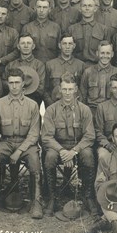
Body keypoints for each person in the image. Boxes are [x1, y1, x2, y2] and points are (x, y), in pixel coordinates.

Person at [0, 68, 42, 217]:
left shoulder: (32, 105)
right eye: (11, 83)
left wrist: (19, 151)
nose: (14, 86)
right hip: (5, 142)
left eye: (17, 82)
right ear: (7, 84)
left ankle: (36, 201)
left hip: (26, 144)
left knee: (35, 161)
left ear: (23, 84)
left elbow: (34, 133)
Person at [42, 77, 96, 213]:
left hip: (77, 147)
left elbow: (89, 136)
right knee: (49, 156)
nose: (67, 93)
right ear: (60, 90)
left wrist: (73, 151)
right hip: (58, 146)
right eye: (64, 89)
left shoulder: (84, 110)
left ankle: (87, 195)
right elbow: (47, 137)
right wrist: (62, 151)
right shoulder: (51, 110)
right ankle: (52, 197)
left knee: (88, 155)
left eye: (70, 89)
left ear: (76, 90)